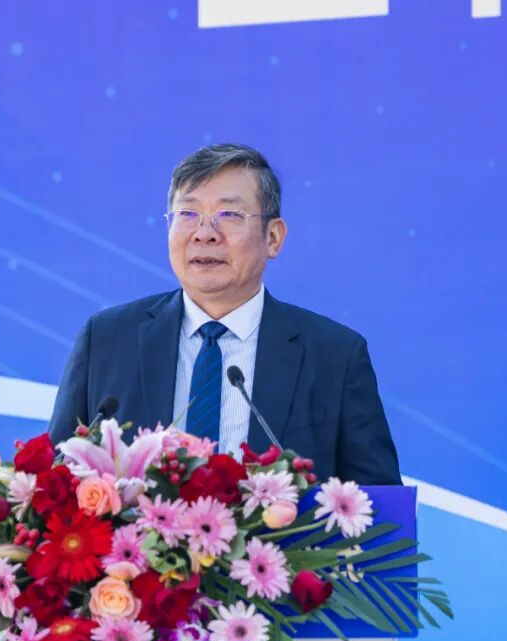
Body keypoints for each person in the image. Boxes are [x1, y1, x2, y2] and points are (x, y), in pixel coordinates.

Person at [49, 144, 400, 485]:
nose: (204, 234)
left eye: (229, 215)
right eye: (187, 214)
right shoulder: (107, 341)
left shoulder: (335, 357)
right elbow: (52, 485)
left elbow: (380, 508)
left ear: (273, 237)